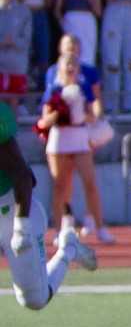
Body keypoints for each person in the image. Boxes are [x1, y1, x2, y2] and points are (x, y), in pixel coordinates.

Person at [1, 92, 97, 309]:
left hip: (10, 210)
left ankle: (68, 249)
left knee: (34, 299)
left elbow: (23, 176)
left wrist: (21, 228)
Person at [37, 50, 111, 245]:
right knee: (60, 186)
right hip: (59, 139)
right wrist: (59, 114)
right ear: (60, 68)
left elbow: (93, 113)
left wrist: (85, 115)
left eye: (73, 65)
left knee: (90, 182)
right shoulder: (54, 90)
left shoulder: (84, 87)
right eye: (66, 65)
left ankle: (100, 227)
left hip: (79, 137)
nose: (70, 68)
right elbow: (43, 121)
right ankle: (58, 229)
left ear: (78, 69)